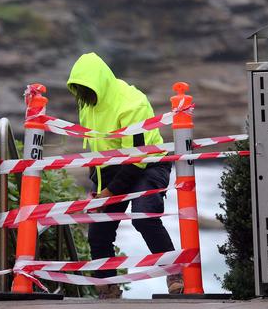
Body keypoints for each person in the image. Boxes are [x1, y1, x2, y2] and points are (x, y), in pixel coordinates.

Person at [66, 52, 184, 299]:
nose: (82, 96)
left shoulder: (132, 102)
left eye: (85, 89)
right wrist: (98, 191)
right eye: (78, 90)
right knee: (99, 230)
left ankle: (175, 274)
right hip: (111, 166)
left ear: (100, 82)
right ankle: (107, 287)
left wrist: (108, 193)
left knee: (144, 216)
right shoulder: (87, 105)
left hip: (148, 162)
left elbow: (136, 160)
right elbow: (96, 152)